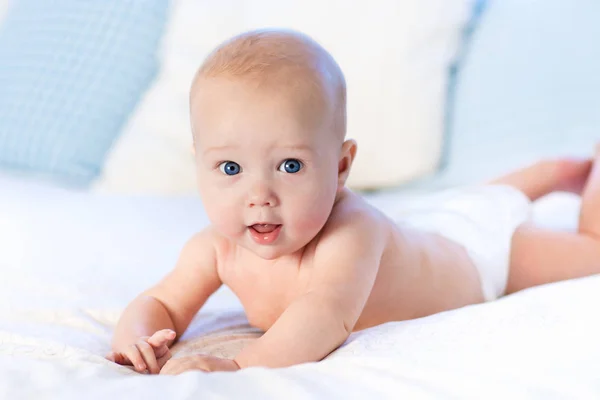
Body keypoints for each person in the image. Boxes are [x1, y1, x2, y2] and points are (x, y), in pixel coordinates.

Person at [106, 29, 598, 375]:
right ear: (200, 166)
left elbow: (324, 315)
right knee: (473, 203)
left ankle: (578, 172)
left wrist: (238, 366)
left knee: (590, 250)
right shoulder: (214, 248)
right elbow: (161, 302)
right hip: (428, 227)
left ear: (341, 168)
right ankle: (541, 177)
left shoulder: (351, 234)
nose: (259, 196)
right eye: (231, 169)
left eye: (290, 166)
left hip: (478, 254)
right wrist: (136, 339)